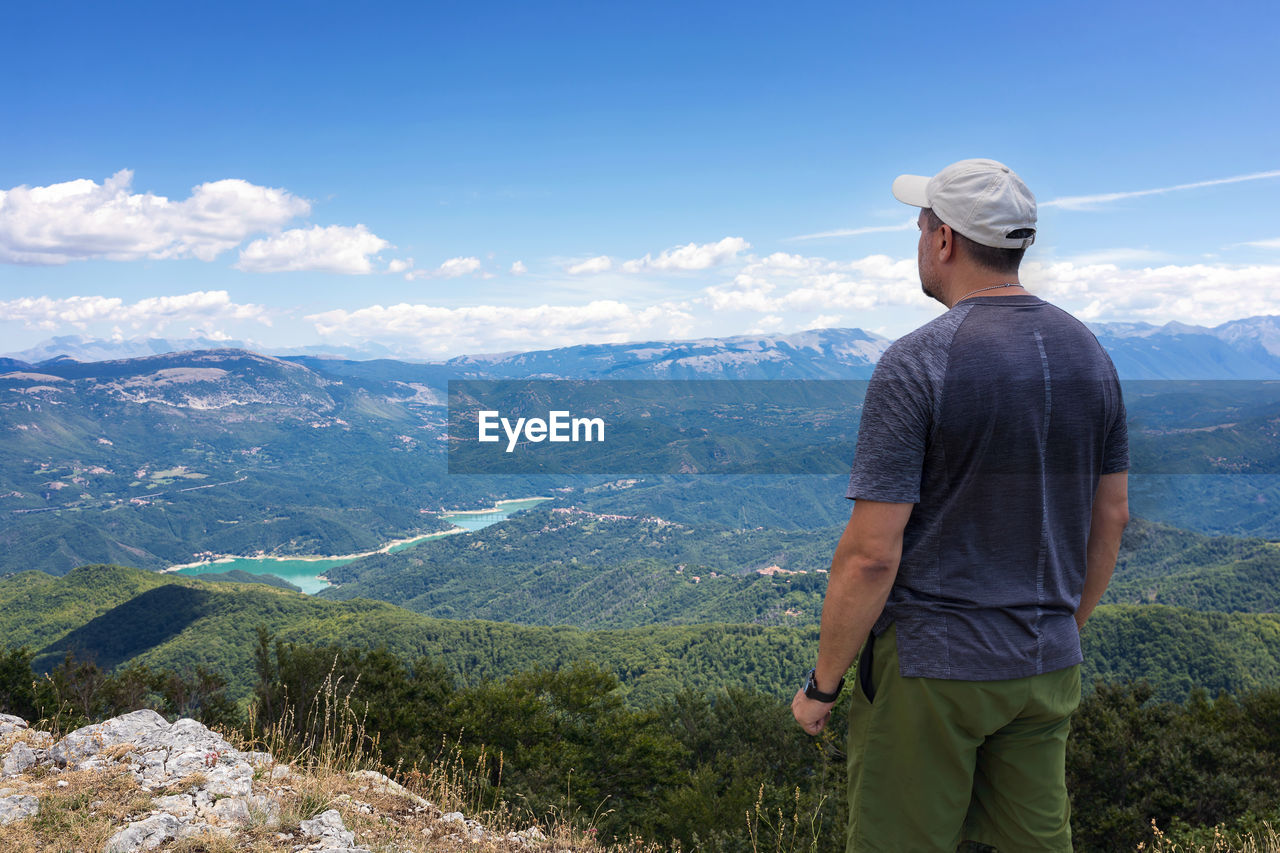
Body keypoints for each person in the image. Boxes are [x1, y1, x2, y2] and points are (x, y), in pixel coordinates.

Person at [791, 158, 1130, 852]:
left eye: (920, 225)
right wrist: (1059, 629)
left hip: (933, 671)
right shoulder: (1090, 354)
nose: (918, 240)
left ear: (944, 240)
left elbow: (870, 555)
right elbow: (1112, 515)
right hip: (1046, 665)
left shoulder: (920, 361)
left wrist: (822, 685)